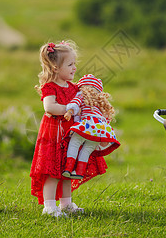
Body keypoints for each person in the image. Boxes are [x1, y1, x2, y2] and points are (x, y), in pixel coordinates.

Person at [30, 42, 109, 218]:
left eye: (75, 63)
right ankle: (49, 206)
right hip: (53, 134)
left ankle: (66, 203)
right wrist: (69, 109)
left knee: (67, 170)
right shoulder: (50, 87)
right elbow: (49, 107)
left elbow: (83, 103)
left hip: (69, 135)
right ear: (56, 67)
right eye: (70, 64)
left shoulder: (74, 88)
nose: (75, 68)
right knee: (53, 171)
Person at [62, 74, 120, 180]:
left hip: (87, 126)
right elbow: (106, 118)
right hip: (100, 129)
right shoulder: (101, 101)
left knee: (74, 143)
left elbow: (75, 103)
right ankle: (79, 171)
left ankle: (68, 168)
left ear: (83, 87)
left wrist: (69, 112)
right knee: (87, 149)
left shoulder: (81, 95)